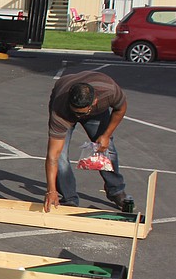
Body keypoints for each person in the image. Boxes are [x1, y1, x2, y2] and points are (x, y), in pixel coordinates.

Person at [43, 70, 132, 213]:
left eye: (81, 113)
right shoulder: (60, 109)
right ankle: (69, 198)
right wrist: (51, 190)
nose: (78, 116)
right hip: (65, 112)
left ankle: (116, 191)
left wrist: (106, 135)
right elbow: (53, 155)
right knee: (61, 158)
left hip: (97, 113)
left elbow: (121, 108)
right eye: (75, 112)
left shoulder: (109, 91)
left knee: (107, 149)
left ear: (94, 101)